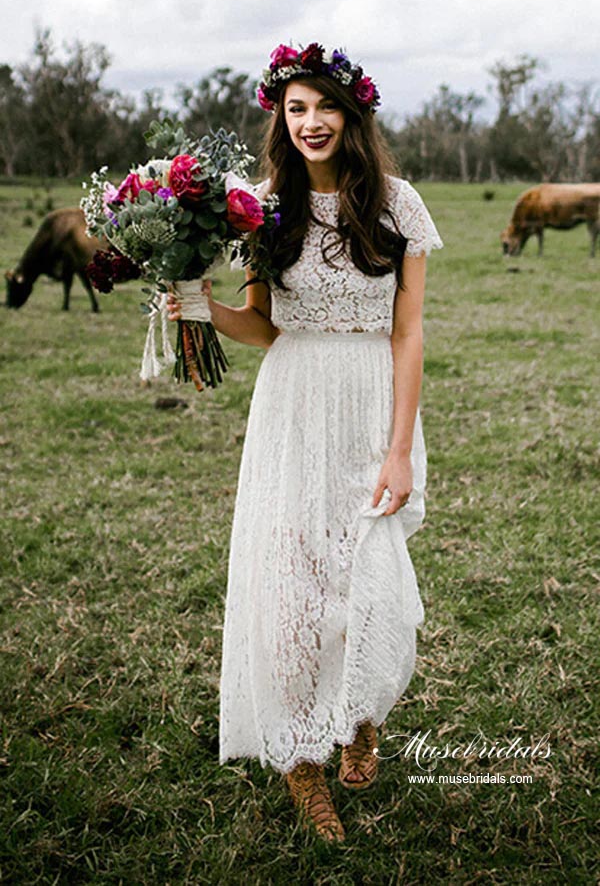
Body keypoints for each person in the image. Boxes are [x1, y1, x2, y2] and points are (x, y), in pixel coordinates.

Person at [167, 42, 443, 843]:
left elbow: (410, 331)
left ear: (351, 113)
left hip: (373, 405)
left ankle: (359, 712)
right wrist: (195, 303)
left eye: (324, 106)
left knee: (370, 574)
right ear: (279, 119)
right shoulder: (258, 207)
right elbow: (261, 325)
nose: (311, 122)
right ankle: (301, 763)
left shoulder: (398, 205)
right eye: (295, 109)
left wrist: (399, 449)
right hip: (293, 406)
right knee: (292, 581)